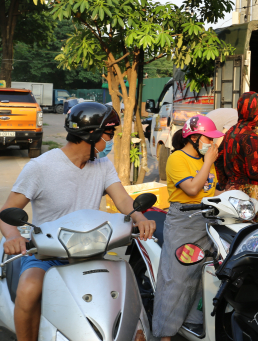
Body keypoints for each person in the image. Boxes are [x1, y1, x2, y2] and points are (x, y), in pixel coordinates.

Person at [0, 102, 156, 341]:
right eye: (109, 135)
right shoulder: (41, 167)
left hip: (92, 251)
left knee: (126, 283)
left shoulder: (103, 165)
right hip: (46, 253)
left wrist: (139, 216)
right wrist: (13, 236)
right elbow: (7, 211)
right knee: (28, 289)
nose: (110, 141)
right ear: (91, 134)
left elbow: (123, 199)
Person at [152, 114, 223, 340]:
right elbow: (192, 190)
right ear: (193, 138)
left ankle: (191, 325)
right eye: (208, 138)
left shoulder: (204, 162)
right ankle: (164, 334)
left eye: (212, 140)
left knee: (202, 276)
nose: (211, 144)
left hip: (207, 223)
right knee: (177, 279)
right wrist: (210, 161)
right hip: (184, 223)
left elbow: (209, 192)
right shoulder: (177, 159)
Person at [214, 92, 258, 209]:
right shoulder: (250, 136)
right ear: (256, 112)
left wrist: (225, 184)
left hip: (231, 191)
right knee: (250, 226)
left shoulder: (231, 131)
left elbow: (218, 159)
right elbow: (254, 171)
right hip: (249, 194)